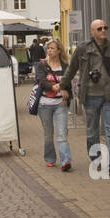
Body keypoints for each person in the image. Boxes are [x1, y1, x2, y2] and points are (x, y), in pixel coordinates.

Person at [64, 19, 110, 176]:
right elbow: (71, 69)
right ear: (92, 32)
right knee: (92, 131)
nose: (103, 30)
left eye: (104, 28)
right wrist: (61, 87)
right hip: (90, 96)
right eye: (99, 28)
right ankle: (96, 159)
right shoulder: (82, 49)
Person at [35, 39, 72, 171]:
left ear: (59, 50)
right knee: (48, 135)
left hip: (60, 104)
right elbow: (42, 82)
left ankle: (65, 161)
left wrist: (68, 96)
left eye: (52, 48)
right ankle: (50, 158)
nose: (49, 50)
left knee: (62, 134)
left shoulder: (66, 66)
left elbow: (70, 85)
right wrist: (57, 88)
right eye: (48, 48)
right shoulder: (42, 65)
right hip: (44, 105)